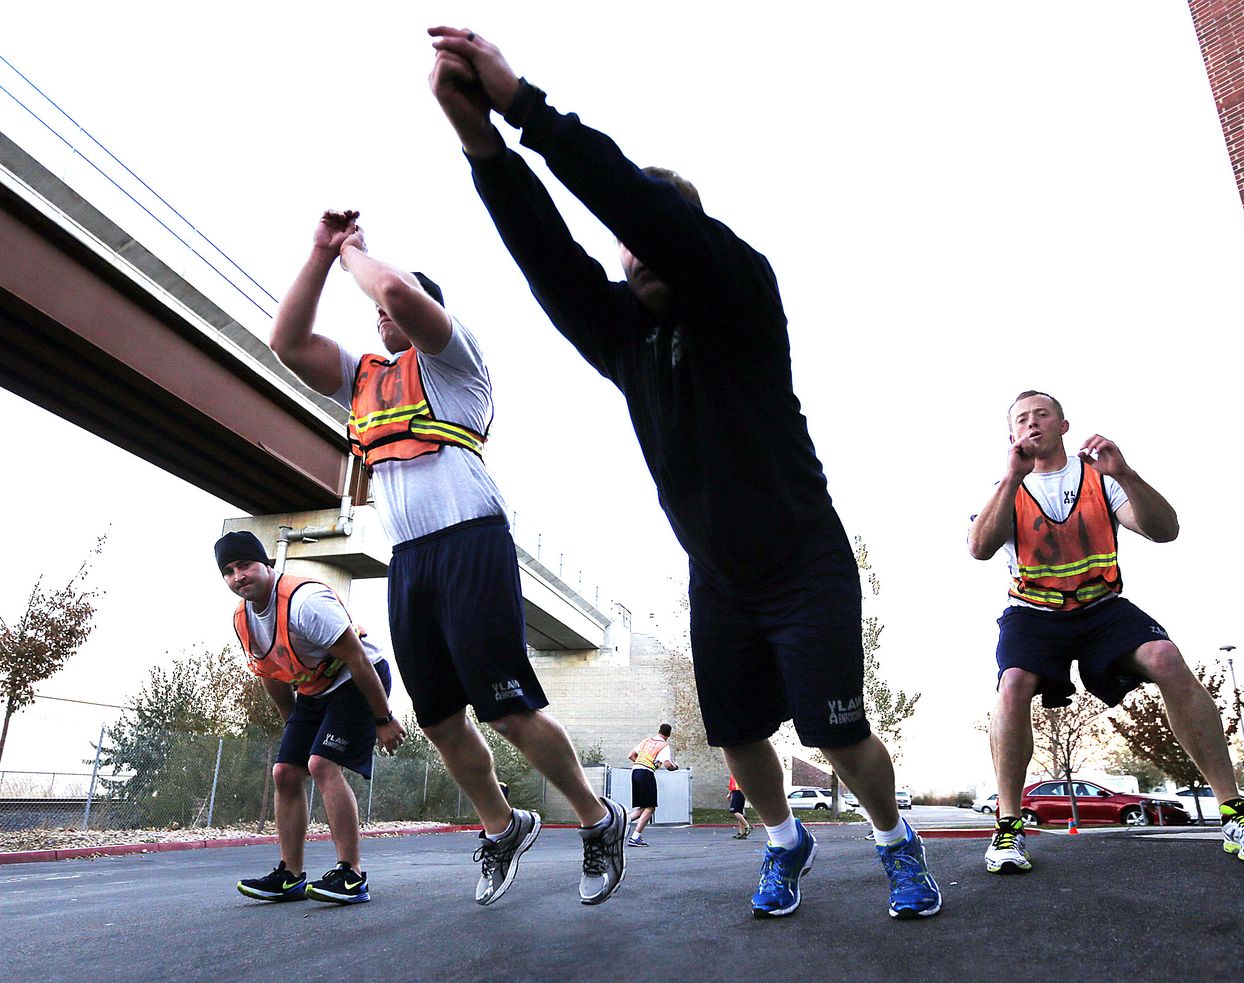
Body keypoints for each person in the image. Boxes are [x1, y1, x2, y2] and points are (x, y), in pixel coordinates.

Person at [427, 27, 941, 920]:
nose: (632, 254)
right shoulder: (627, 336)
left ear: (686, 236)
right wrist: (481, 143)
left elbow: (635, 203)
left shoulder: (741, 290)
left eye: (646, 237)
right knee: (740, 734)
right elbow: (550, 256)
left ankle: (896, 840)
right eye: (625, 247)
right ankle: (784, 843)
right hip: (719, 574)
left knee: (836, 729)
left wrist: (524, 106)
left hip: (802, 557)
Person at [268, 212, 628, 907]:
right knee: (436, 717)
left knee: (506, 707)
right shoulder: (363, 378)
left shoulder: (454, 357)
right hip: (411, 560)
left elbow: (401, 296)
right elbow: (286, 341)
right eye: (370, 314)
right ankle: (502, 826)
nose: (379, 318)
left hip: (471, 540)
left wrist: (357, 255)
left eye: (384, 307)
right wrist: (319, 255)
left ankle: (596, 816)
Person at [968, 390, 1244, 873]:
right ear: (1012, 436)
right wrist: (1012, 477)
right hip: (1034, 613)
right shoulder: (1005, 488)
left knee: (1166, 658)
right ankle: (1009, 827)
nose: (1033, 423)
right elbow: (979, 548)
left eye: (1043, 414)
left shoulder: (1101, 478)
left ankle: (1236, 813)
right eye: (1022, 420)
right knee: (1013, 683)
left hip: (1102, 608)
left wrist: (1125, 472)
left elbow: (1165, 531)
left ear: (1063, 425)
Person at [218, 530, 405, 905]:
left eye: (246, 565)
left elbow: (358, 658)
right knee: (285, 771)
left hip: (356, 679)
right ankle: (290, 876)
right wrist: (294, 725)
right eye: (229, 570)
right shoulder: (243, 619)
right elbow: (270, 672)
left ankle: (351, 876)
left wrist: (382, 718)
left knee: (321, 763)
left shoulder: (305, 602)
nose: (239, 576)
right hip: (314, 691)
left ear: (266, 565)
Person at [627, 724, 677, 846]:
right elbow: (668, 765)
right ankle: (635, 837)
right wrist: (675, 766)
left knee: (643, 808)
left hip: (635, 771)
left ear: (659, 731)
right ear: (668, 735)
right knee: (651, 807)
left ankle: (619, 822)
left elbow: (631, 755)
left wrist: (642, 762)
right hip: (646, 773)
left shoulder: (646, 740)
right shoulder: (664, 746)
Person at [726, 775, 753, 840]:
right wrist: (730, 793)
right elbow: (732, 782)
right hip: (737, 791)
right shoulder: (735, 770)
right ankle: (741, 832)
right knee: (739, 811)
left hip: (738, 791)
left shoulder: (737, 769)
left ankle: (747, 826)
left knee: (734, 811)